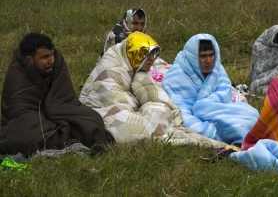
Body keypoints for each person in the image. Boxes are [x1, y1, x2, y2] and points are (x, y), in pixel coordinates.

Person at [80, 32, 226, 148]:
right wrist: (153, 107)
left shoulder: (137, 68)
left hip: (134, 111)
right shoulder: (111, 70)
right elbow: (111, 101)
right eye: (146, 53)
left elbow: (154, 95)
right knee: (149, 126)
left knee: (163, 120)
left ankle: (217, 146)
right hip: (102, 114)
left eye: (153, 54)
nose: (151, 59)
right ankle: (211, 146)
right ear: (133, 52)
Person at [0, 33, 108, 155]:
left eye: (52, 55)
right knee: (30, 136)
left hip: (56, 114)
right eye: (45, 57)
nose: (51, 60)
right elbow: (19, 111)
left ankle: (60, 137)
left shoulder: (56, 63)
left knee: (93, 120)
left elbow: (65, 98)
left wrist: (56, 113)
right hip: (29, 119)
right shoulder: (17, 75)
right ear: (29, 60)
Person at [161, 33, 259, 145]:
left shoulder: (217, 69)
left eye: (211, 55)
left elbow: (224, 95)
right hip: (193, 118)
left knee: (252, 114)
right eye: (202, 56)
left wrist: (204, 107)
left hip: (217, 113)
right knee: (197, 129)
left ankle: (235, 134)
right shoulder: (174, 79)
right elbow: (180, 111)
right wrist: (208, 129)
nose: (208, 61)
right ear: (192, 57)